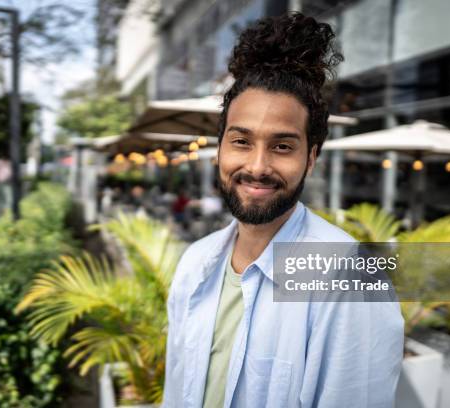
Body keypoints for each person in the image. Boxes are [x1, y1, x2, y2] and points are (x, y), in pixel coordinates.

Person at [162, 13, 404, 408]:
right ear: (220, 148)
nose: (257, 166)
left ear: (310, 159)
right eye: (241, 141)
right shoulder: (195, 262)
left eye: (282, 146)